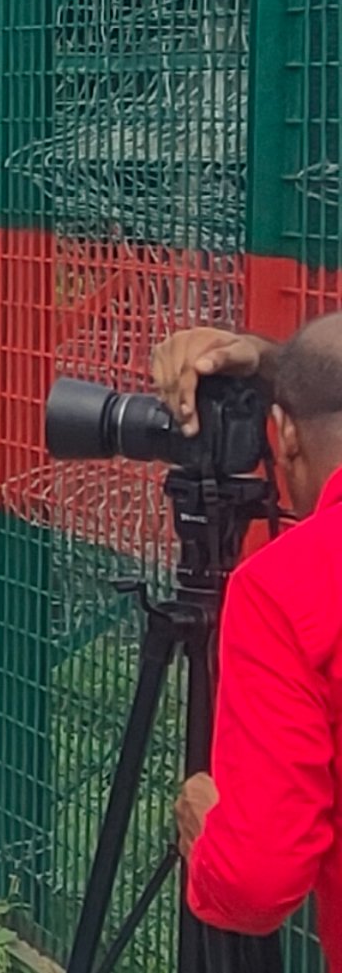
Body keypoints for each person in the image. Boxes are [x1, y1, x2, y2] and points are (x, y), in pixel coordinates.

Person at [148, 318, 342, 940]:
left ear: (285, 435)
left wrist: (211, 836)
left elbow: (254, 883)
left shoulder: (285, 587)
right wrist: (267, 360)